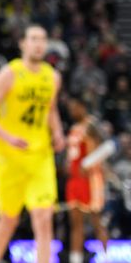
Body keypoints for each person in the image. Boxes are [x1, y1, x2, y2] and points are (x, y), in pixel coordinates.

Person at [0, 24, 66, 263]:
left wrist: (58, 133)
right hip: (8, 157)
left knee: (44, 218)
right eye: (33, 39)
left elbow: (50, 109)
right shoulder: (10, 74)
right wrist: (8, 137)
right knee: (9, 219)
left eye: (43, 39)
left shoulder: (52, 77)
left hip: (40, 156)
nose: (38, 44)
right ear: (22, 43)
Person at [65, 94, 109, 263]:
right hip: (74, 180)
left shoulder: (91, 124)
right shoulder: (74, 127)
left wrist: (87, 163)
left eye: (74, 107)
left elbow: (109, 146)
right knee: (75, 225)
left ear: (82, 107)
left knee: (96, 222)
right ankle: (75, 260)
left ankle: (105, 258)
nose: (71, 110)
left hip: (90, 179)